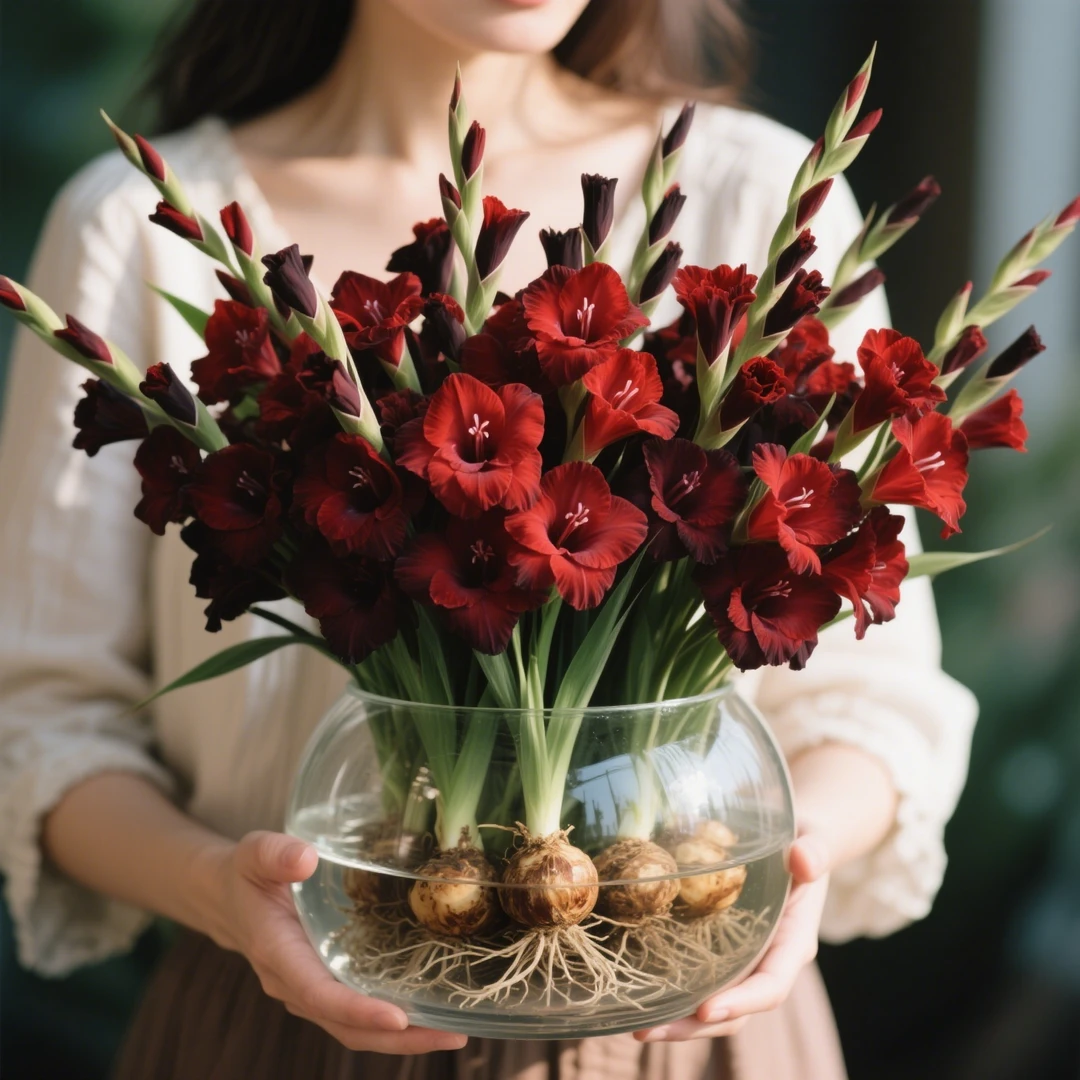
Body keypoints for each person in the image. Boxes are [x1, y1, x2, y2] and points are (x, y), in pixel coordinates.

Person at [0, 1, 978, 1077]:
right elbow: (45, 725)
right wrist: (227, 896)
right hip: (277, 1025)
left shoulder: (761, 196)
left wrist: (792, 870)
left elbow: (877, 702)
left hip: (689, 1025)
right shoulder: (131, 226)